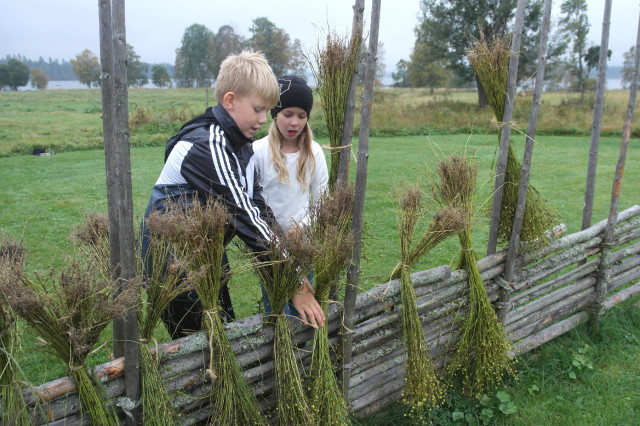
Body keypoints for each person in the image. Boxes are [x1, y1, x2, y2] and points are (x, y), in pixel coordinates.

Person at [140, 52, 325, 339]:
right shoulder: (208, 145)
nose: (265, 119)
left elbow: (258, 208)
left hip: (206, 258)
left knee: (222, 338)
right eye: (258, 109)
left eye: (268, 111)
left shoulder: (241, 147)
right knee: (202, 348)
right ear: (230, 101)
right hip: (174, 267)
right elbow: (246, 216)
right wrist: (295, 285)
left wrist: (292, 271)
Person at [253, 75, 329, 317]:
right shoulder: (257, 152)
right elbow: (252, 200)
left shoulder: (314, 152)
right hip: (270, 245)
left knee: (303, 302)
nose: (294, 122)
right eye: (288, 114)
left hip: (301, 244)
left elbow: (322, 199)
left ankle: (303, 351)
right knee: (276, 307)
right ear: (275, 114)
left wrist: (303, 227)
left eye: (301, 116)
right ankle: (278, 349)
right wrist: (272, 234)